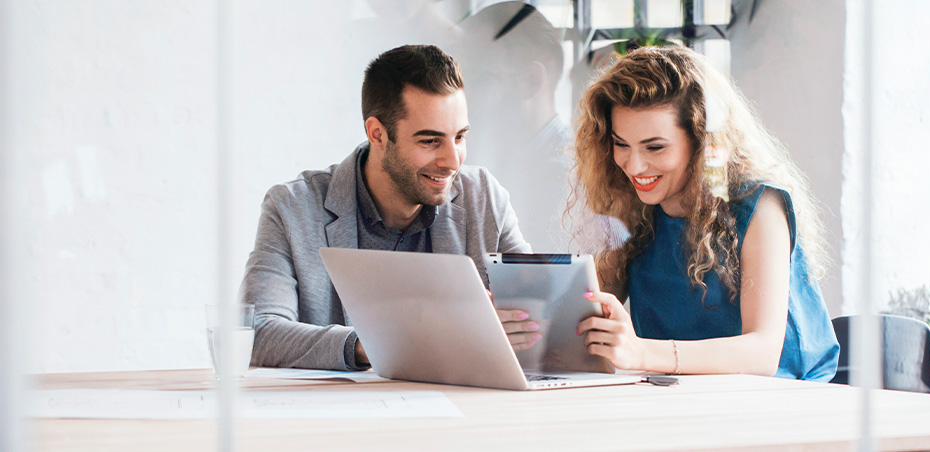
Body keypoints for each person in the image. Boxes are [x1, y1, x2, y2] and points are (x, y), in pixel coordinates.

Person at [240, 45, 539, 372]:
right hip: (342, 418)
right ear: (378, 134)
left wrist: (590, 325)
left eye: (460, 137)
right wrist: (385, 342)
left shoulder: (483, 197)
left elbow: (535, 307)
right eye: (430, 141)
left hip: (461, 412)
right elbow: (257, 333)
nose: (453, 161)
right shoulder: (291, 209)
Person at [571, 46, 839, 381]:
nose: (634, 166)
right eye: (621, 144)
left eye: (655, 147)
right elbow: (585, 313)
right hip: (681, 398)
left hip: (786, 400)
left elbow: (762, 354)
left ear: (701, 141)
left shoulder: (761, 205)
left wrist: (641, 352)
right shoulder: (631, 206)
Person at [456, 2, 574, 252]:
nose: (458, 94)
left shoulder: (568, 182)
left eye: (477, 78)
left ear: (530, 81)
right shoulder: (490, 159)